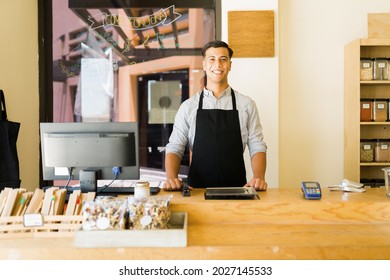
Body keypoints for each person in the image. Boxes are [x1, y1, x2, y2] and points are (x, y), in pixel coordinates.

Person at [163, 40, 267, 191]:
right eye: (212, 59)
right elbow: (175, 147)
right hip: (197, 191)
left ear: (230, 65)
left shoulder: (246, 105)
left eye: (223, 59)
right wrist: (171, 178)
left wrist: (259, 178)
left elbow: (257, 145)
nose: (217, 65)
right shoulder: (188, 107)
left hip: (237, 191)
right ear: (204, 64)